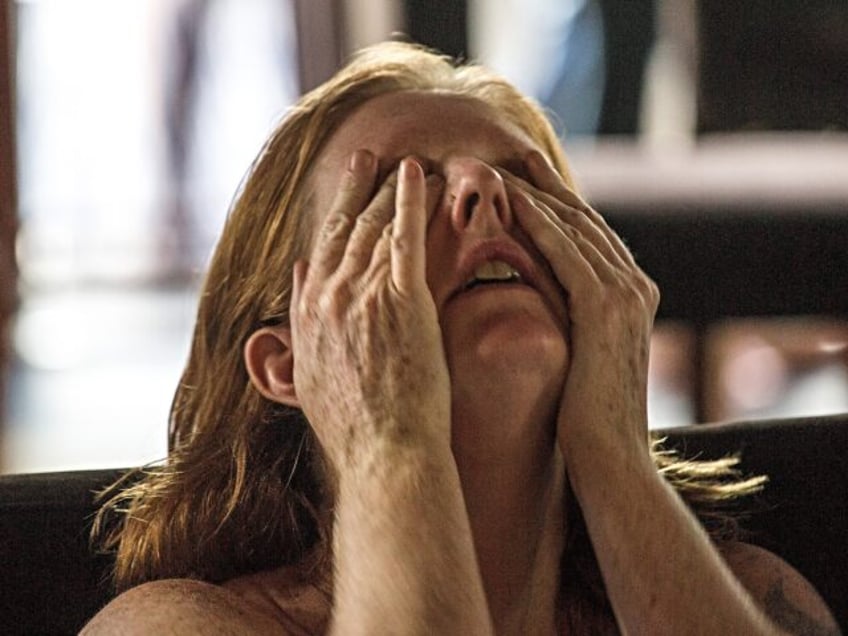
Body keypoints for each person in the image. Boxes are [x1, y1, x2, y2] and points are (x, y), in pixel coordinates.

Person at [82, 42, 840, 635]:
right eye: (400, 193)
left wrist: (615, 455)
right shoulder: (177, 625)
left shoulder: (744, 595)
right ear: (285, 362)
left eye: (528, 184)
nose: (485, 192)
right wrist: (391, 444)